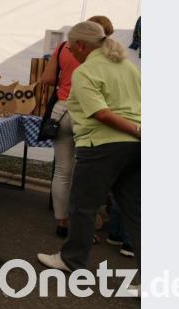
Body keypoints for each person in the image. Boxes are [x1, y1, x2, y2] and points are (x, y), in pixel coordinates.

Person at [37, 21, 140, 273]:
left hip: (101, 146)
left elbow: (101, 114)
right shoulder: (129, 67)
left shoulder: (85, 72)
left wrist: (137, 130)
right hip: (135, 148)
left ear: (81, 45)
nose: (70, 52)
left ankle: (72, 260)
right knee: (135, 211)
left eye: (71, 48)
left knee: (82, 206)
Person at [42, 15, 113, 237]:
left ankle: (62, 222)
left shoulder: (64, 47)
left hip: (61, 111)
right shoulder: (108, 54)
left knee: (63, 171)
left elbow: (47, 79)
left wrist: (67, 74)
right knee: (87, 173)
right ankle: (85, 227)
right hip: (90, 114)